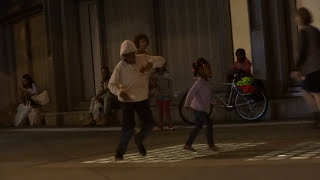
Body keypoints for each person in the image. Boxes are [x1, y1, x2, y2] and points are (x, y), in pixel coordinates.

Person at [108, 40, 165, 161]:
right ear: (123, 56)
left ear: (135, 53)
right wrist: (120, 92)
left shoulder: (143, 59)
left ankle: (139, 138)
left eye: (131, 55)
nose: (130, 58)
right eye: (126, 56)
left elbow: (161, 60)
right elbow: (111, 84)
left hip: (142, 99)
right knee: (128, 127)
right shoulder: (120, 67)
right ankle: (120, 152)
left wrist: (151, 62)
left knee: (149, 123)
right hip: (127, 100)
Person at [291, 7, 320, 128]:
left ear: (301, 18)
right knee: (317, 94)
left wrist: (296, 68)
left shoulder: (303, 31)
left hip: (311, 68)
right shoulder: (315, 30)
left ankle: (316, 117)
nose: (295, 19)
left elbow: (302, 52)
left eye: (297, 16)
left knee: (306, 91)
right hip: (318, 67)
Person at [183, 58, 218, 152]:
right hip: (198, 109)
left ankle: (188, 144)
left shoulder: (206, 82)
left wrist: (212, 100)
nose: (209, 70)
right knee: (209, 123)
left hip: (202, 109)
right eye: (207, 68)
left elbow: (207, 94)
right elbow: (191, 93)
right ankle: (211, 145)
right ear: (200, 71)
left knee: (198, 126)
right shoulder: (198, 82)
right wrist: (187, 104)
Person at [154, 63, 174, 130]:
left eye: (162, 65)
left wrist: (171, 94)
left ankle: (170, 125)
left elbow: (170, 86)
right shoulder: (155, 76)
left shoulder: (167, 75)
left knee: (166, 110)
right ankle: (160, 126)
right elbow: (154, 85)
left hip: (166, 95)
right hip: (159, 95)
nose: (161, 66)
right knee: (160, 111)